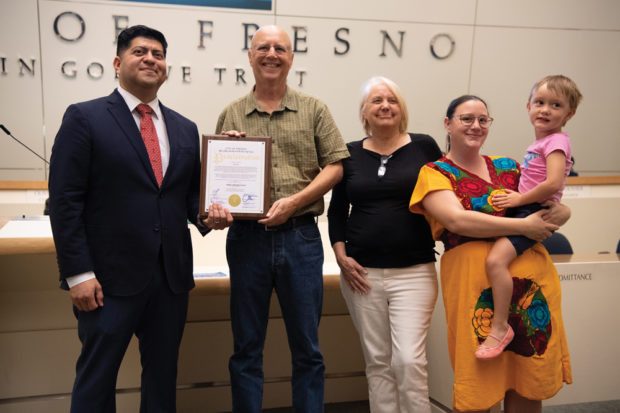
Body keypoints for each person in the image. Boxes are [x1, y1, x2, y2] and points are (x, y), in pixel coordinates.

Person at [48, 25, 231, 413]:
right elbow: (65, 202)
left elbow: (186, 198)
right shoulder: (85, 118)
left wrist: (221, 182)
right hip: (106, 281)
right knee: (96, 381)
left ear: (165, 68)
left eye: (159, 54)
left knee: (163, 380)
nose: (151, 59)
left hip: (170, 281)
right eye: (140, 52)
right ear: (118, 63)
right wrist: (77, 274)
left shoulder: (184, 127)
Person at [215, 25, 349, 412]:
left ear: (291, 58)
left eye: (280, 48)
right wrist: (222, 198)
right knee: (246, 348)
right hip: (246, 240)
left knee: (307, 348)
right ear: (250, 55)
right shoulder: (232, 112)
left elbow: (336, 166)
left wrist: (295, 201)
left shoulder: (314, 108)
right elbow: (219, 181)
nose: (271, 54)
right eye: (263, 47)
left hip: (301, 239)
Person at [409, 95, 572, 412]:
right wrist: (524, 228)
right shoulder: (435, 172)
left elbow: (547, 200)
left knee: (529, 375)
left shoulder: (510, 166)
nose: (476, 126)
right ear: (448, 124)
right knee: (478, 377)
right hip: (474, 288)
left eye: (483, 119)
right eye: (466, 118)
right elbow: (458, 220)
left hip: (531, 288)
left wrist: (564, 211)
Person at [327, 76, 442, 413]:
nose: (385, 105)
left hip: (415, 272)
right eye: (376, 100)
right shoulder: (347, 153)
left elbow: (449, 193)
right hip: (361, 274)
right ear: (365, 110)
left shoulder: (424, 147)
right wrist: (341, 258)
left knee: (408, 360)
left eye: (391, 99)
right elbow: (337, 212)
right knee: (378, 361)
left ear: (401, 107)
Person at [480, 75, 582, 359]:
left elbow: (551, 183)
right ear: (528, 106)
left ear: (569, 113)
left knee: (495, 260)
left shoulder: (557, 143)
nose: (545, 109)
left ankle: (500, 327)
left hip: (532, 211)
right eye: (540, 102)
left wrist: (519, 199)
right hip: (526, 208)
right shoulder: (543, 142)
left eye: (555, 105)